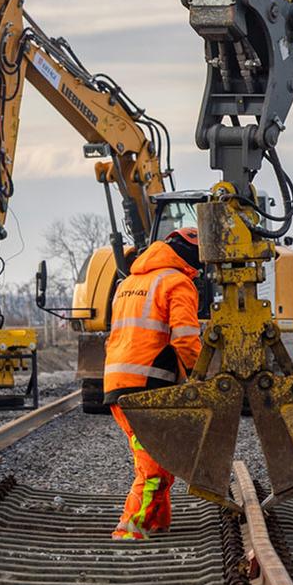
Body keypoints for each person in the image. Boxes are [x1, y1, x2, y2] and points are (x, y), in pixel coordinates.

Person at [105, 227, 204, 540]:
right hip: (148, 386)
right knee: (151, 467)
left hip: (119, 382)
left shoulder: (129, 283)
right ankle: (131, 529)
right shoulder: (178, 282)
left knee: (157, 457)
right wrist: (202, 378)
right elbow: (186, 339)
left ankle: (158, 520)